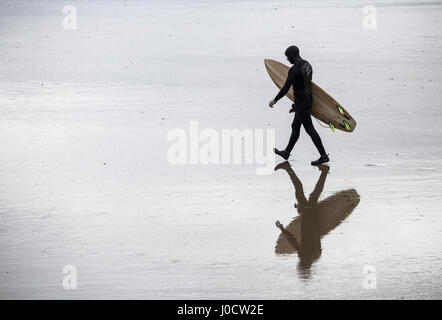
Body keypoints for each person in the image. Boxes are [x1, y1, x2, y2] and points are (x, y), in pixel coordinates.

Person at [269, 45, 329, 165]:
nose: (287, 59)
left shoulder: (294, 69)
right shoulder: (308, 65)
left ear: (292, 56)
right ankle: (286, 152)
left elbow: (285, 88)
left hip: (301, 102)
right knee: (295, 126)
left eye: (287, 57)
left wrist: (275, 100)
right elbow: (307, 84)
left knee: (310, 129)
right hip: (307, 99)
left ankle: (323, 156)